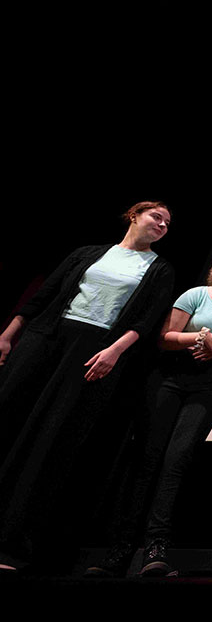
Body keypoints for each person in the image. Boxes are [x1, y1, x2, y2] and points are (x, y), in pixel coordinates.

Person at [0, 201, 175, 572]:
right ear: (134, 216)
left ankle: (12, 544)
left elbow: (145, 321)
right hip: (46, 338)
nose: (162, 224)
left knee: (51, 439)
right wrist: (8, 334)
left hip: (95, 348)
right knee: (9, 417)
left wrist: (113, 351)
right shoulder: (88, 253)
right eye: (155, 217)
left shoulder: (158, 268)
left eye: (167, 222)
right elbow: (44, 295)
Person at [85, 245, 212, 577]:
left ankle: (156, 548)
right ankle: (121, 550)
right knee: (147, 459)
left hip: (209, 385)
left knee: (175, 463)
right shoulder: (197, 294)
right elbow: (165, 337)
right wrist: (203, 336)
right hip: (170, 378)